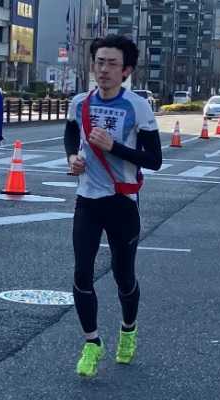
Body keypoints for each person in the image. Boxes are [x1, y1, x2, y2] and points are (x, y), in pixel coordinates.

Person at [63, 34, 163, 378]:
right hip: (87, 201)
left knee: (123, 275)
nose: (104, 69)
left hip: (122, 202)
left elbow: (155, 159)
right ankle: (92, 343)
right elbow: (71, 134)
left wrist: (113, 147)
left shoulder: (137, 106)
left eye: (112, 64)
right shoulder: (80, 102)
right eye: (99, 62)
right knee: (81, 273)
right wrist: (72, 158)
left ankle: (128, 330)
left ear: (126, 71)